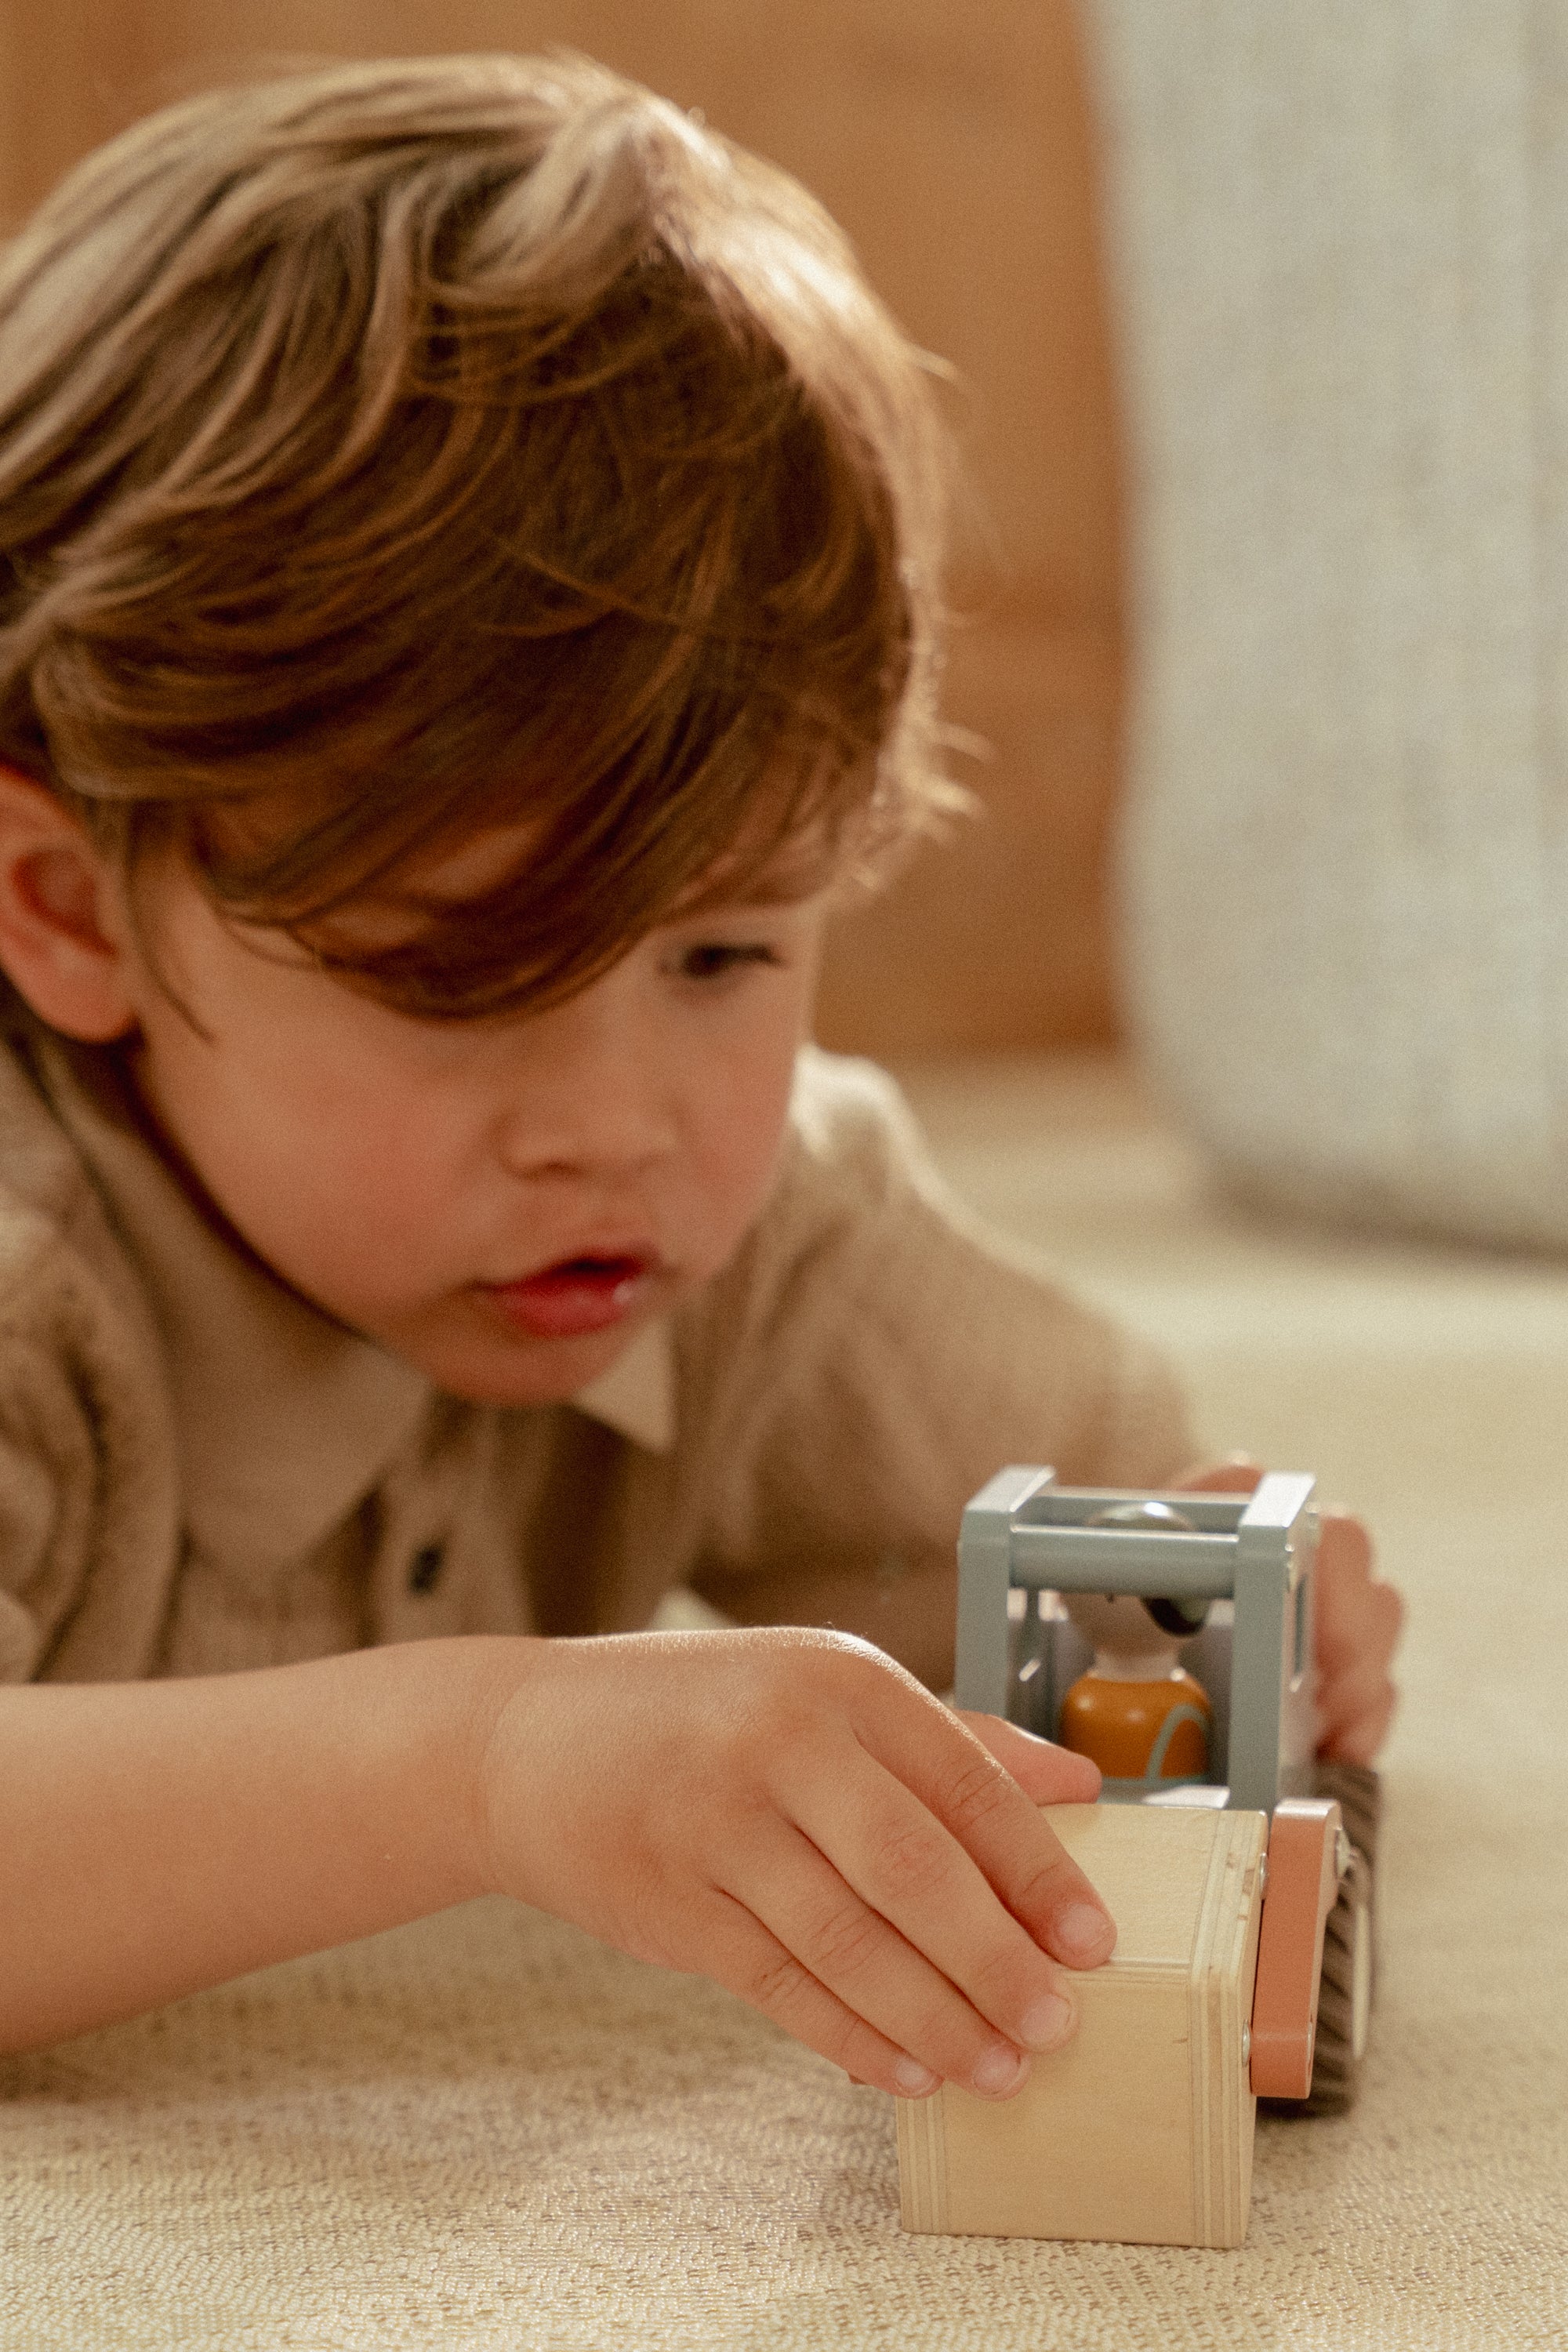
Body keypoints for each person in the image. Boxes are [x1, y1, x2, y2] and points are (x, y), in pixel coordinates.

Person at [0, 52, 1400, 2091]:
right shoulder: (37, 1286)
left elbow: (1076, 1539)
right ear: (70, 912)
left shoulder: (763, 1227)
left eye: (725, 951)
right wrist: (478, 1759)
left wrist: (1196, 1607)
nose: (620, 1129)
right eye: (465, 981)